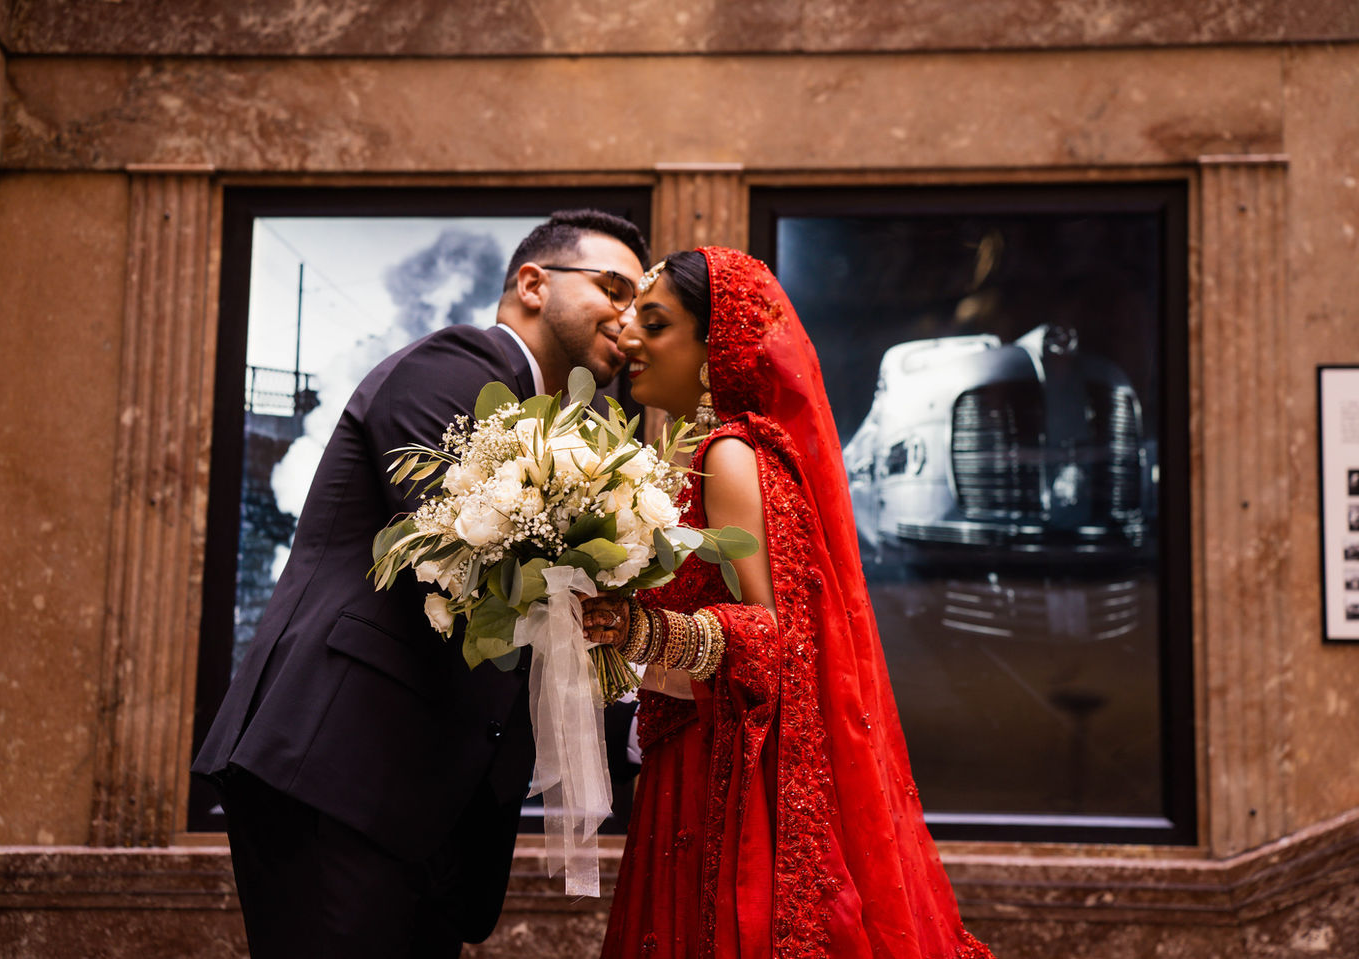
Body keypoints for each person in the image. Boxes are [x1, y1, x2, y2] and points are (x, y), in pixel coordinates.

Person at [192, 209, 649, 958]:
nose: (627, 321)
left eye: (640, 304)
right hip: (338, 768)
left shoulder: (574, 420)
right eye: (612, 288)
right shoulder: (456, 363)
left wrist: (631, 724)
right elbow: (470, 554)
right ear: (533, 283)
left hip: (428, 810)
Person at [581, 247, 994, 958]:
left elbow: (774, 640)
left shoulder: (729, 453)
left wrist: (640, 629)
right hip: (688, 760)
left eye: (656, 323)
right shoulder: (710, 451)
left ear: (715, 349)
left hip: (723, 789)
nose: (630, 340)